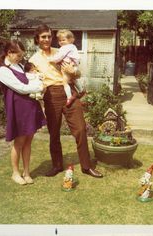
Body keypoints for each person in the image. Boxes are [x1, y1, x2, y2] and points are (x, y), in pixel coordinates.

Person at [29, 24, 103, 178]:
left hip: (69, 91)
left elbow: (77, 71)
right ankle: (57, 165)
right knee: (54, 133)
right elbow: (33, 80)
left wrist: (74, 71)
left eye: (49, 36)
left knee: (81, 129)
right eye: (43, 36)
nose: (47, 39)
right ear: (37, 39)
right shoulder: (33, 60)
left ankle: (86, 166)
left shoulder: (62, 50)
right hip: (51, 94)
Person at [0, 40, 46, 185]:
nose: (20, 58)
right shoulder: (3, 70)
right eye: (17, 55)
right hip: (18, 109)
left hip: (30, 106)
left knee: (29, 140)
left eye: (21, 56)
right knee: (19, 142)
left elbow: (30, 81)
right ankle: (15, 173)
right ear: (9, 53)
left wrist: (37, 83)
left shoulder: (20, 66)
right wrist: (38, 87)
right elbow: (21, 88)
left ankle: (27, 172)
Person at [48, 29, 84, 107]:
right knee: (74, 79)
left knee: (65, 82)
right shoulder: (73, 47)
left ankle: (69, 97)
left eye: (63, 40)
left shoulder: (65, 48)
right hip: (73, 65)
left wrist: (51, 60)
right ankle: (81, 90)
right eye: (59, 40)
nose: (61, 42)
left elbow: (59, 57)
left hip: (67, 65)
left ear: (70, 40)